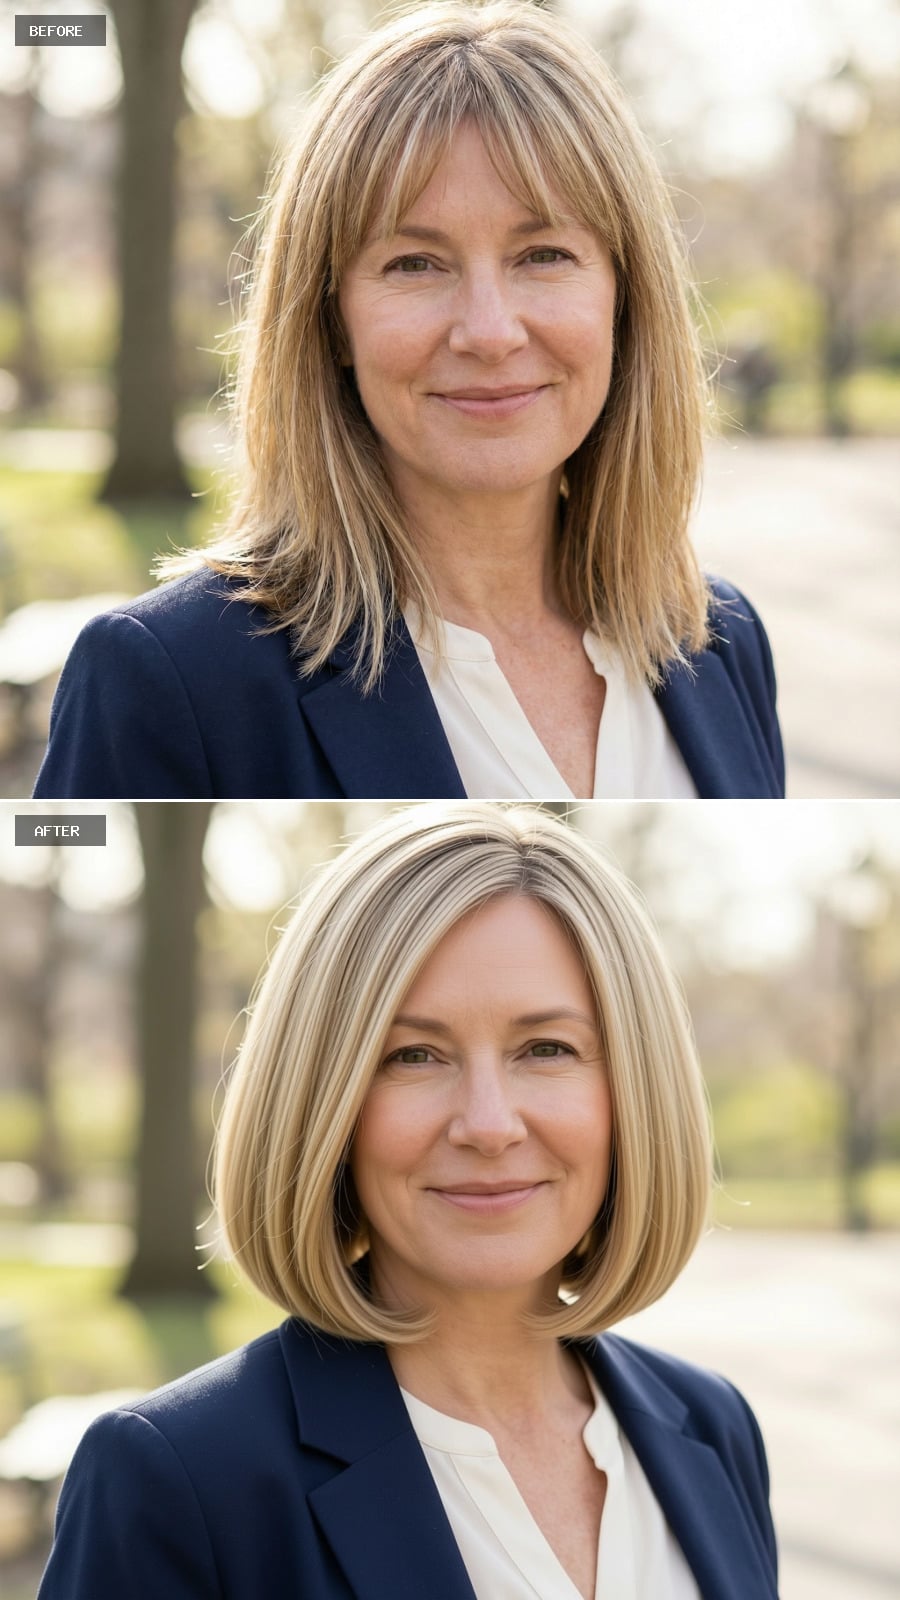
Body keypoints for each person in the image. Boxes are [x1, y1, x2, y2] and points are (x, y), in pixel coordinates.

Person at [34, 1, 783, 802]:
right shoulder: (168, 678)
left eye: (543, 254)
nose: (489, 331)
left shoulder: (721, 641)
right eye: (415, 264)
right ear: (332, 319)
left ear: (624, 298)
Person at [39, 803, 779, 1600]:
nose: (488, 1125)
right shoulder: (179, 1480)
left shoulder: (712, 1427)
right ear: (323, 1098)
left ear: (633, 1087)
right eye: (414, 1055)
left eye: (546, 1048)